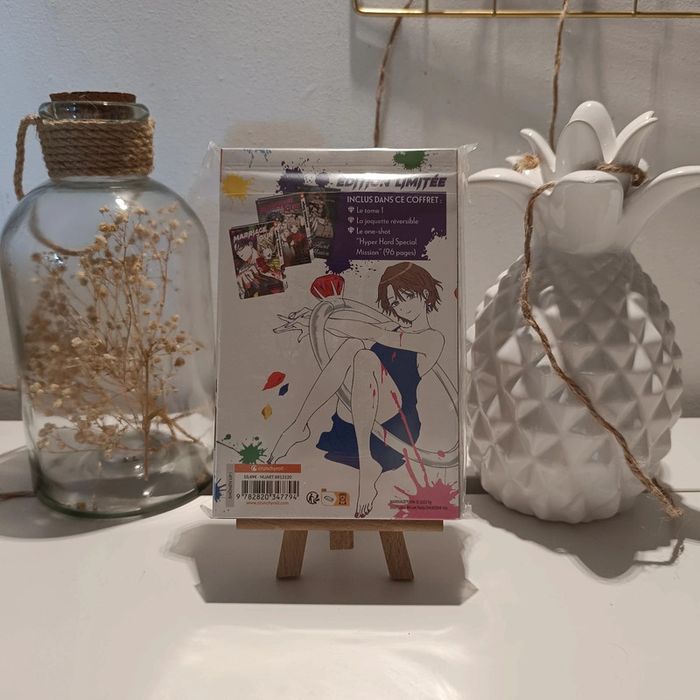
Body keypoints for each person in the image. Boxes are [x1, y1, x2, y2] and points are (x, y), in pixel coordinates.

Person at [270, 262, 444, 517]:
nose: (401, 307)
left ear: (425, 294)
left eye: (406, 296)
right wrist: (312, 321)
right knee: (352, 347)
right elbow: (358, 327)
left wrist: (318, 321)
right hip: (357, 416)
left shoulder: (433, 339)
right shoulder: (389, 327)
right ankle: (298, 426)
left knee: (364, 356)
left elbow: (371, 331)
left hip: (395, 422)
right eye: (395, 303)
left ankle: (367, 463)